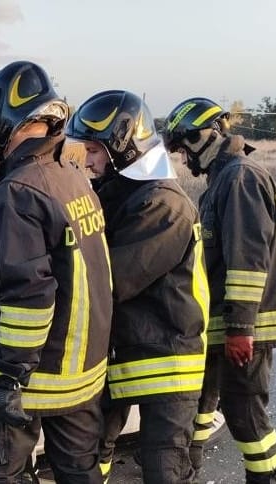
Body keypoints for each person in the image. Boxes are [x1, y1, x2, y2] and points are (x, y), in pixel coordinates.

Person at [0, 60, 113, 483]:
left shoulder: (18, 192)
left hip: (32, 377)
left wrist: (9, 375)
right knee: (79, 472)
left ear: (8, 126)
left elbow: (29, 295)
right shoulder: (73, 179)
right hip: (82, 373)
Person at [66, 90, 209, 483]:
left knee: (164, 470)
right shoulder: (123, 194)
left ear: (123, 148)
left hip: (167, 362)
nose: (88, 160)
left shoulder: (164, 204)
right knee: (93, 456)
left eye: (94, 150)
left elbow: (110, 280)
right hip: (126, 355)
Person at [162, 97, 276, 483]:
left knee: (245, 412)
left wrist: (241, 329)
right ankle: (188, 468)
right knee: (200, 404)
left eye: (184, 147)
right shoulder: (224, 179)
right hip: (222, 323)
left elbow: (246, 260)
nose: (184, 158)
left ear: (204, 136)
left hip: (246, 327)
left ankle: (267, 478)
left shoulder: (240, 178)